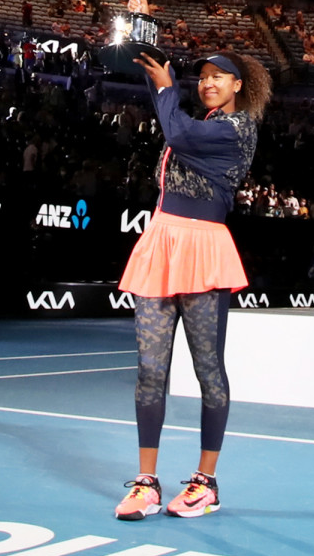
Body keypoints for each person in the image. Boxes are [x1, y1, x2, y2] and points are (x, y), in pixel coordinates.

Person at [114, 50, 271, 521]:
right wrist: (148, 53)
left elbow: (175, 129)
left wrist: (164, 86)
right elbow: (169, 105)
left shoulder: (237, 128)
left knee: (207, 371)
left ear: (238, 86)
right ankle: (146, 483)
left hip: (203, 248)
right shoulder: (197, 119)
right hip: (161, 241)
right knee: (149, 370)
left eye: (219, 77)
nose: (208, 83)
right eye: (202, 77)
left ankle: (205, 483)